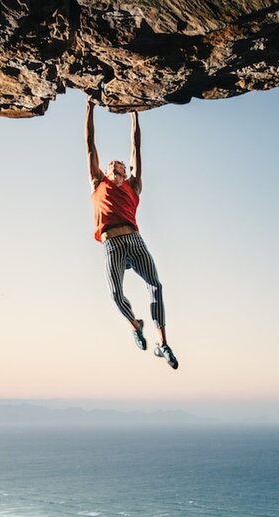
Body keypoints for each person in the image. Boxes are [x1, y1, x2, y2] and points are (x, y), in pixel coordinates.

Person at [85, 101, 178, 370]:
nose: (115, 164)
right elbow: (89, 144)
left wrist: (134, 114)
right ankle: (136, 324)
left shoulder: (133, 186)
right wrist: (89, 109)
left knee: (156, 286)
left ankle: (162, 344)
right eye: (110, 163)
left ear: (126, 172)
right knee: (116, 294)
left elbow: (136, 146)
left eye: (120, 164)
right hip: (112, 243)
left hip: (135, 241)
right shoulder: (97, 181)